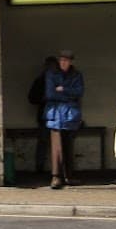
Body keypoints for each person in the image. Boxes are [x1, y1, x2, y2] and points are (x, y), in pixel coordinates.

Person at [44, 50, 84, 189]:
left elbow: (79, 92)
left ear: (70, 62)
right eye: (61, 60)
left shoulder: (76, 75)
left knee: (68, 146)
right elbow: (50, 94)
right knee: (57, 147)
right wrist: (68, 94)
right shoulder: (51, 74)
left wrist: (63, 89)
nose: (63, 62)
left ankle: (69, 175)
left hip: (70, 115)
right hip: (55, 114)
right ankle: (56, 177)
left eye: (66, 60)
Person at [28, 56, 59, 173]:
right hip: (45, 116)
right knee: (43, 141)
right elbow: (32, 98)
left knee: (59, 143)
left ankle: (58, 169)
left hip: (59, 115)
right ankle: (40, 168)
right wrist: (43, 99)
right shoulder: (40, 81)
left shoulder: (60, 80)